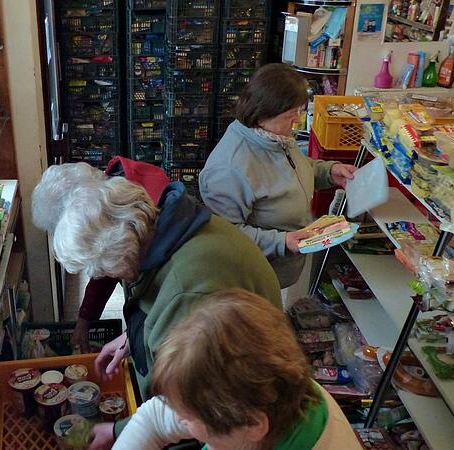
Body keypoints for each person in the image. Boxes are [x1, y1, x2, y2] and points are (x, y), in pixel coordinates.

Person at [31, 164, 282, 449]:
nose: (103, 277)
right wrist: (131, 339)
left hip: (238, 417)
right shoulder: (169, 227)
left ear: (119, 256)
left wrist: (119, 430)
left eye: (101, 270)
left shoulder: (186, 289)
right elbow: (167, 309)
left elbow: (193, 404)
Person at [113, 289, 361, 450]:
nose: (179, 419)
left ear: (252, 425)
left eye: (189, 418)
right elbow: (154, 418)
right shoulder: (276, 391)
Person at [200, 63, 357, 296]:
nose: (295, 121)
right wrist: (282, 242)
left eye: (297, 112)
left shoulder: (273, 136)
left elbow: (288, 170)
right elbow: (226, 235)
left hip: (283, 269)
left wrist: (329, 171)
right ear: (262, 114)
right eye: (289, 115)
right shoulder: (229, 168)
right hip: (255, 279)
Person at [30, 157, 170, 352]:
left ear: (82, 200)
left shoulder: (152, 201)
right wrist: (85, 317)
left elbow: (165, 309)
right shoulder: (105, 198)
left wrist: (135, 337)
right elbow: (104, 262)